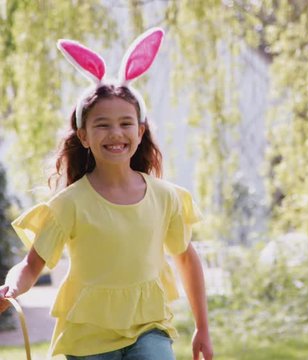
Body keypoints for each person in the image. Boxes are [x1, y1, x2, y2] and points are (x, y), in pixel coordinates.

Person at [0, 28, 214, 360]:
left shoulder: (165, 197)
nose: (115, 133)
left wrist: (203, 327)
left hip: (149, 327)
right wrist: (13, 286)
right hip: (87, 338)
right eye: (102, 125)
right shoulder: (68, 204)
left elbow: (186, 257)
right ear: (84, 136)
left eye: (125, 123)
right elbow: (30, 265)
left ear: (140, 131)